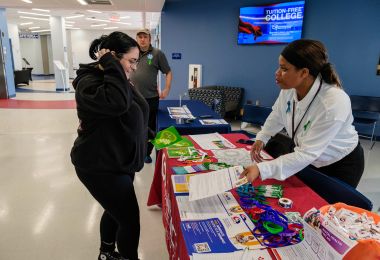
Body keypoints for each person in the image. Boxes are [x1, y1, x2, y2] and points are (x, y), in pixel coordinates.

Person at [241, 39, 364, 188]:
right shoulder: (289, 90)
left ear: (304, 72)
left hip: (340, 164)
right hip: (308, 157)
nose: (277, 73)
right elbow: (278, 114)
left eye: (284, 69)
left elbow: (307, 153)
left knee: (325, 208)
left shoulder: (333, 102)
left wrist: (261, 169)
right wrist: (262, 137)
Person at [71, 31, 148, 260]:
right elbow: (117, 104)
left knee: (115, 212)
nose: (134, 67)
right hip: (98, 165)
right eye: (131, 61)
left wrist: (149, 137)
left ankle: (106, 254)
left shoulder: (119, 79)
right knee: (129, 221)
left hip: (119, 160)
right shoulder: (88, 82)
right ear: (113, 57)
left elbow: (136, 111)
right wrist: (111, 65)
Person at [130, 28, 173, 164]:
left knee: (149, 126)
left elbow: (168, 72)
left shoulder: (157, 54)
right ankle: (135, 151)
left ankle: (146, 153)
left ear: (150, 39)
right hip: (133, 97)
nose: (142, 39)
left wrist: (166, 88)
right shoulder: (131, 53)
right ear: (136, 39)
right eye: (140, 37)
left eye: (145, 37)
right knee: (134, 125)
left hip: (150, 98)